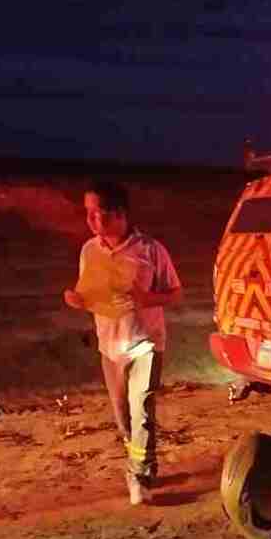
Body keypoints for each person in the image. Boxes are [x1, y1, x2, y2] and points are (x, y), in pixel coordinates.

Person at [63, 180, 182, 506]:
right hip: (109, 348)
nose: (92, 220)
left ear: (120, 214)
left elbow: (175, 293)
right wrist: (76, 300)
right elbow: (89, 294)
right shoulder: (89, 250)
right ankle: (145, 461)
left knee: (141, 409)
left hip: (145, 343)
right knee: (124, 418)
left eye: (99, 213)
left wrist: (147, 299)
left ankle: (138, 474)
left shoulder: (150, 250)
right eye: (88, 213)